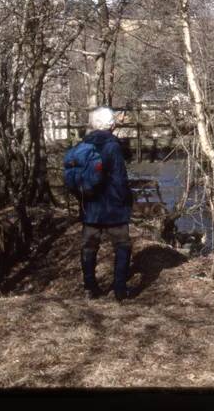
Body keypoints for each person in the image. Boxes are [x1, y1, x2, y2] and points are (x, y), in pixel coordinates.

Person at [77, 106, 133, 302]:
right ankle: (119, 290)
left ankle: (90, 288)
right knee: (122, 245)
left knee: (89, 246)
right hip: (113, 207)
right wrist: (127, 200)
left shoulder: (83, 144)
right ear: (111, 124)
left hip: (90, 206)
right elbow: (119, 179)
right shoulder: (113, 146)